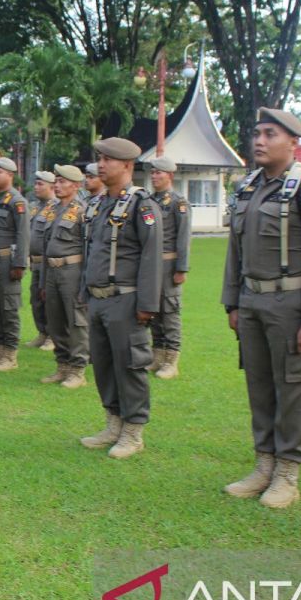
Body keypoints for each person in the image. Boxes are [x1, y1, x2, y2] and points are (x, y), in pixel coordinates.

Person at [221, 108, 301, 509]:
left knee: (291, 391)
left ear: (293, 142)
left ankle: (288, 474)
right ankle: (264, 464)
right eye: (256, 133)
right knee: (259, 386)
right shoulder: (249, 187)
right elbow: (235, 251)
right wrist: (232, 302)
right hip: (253, 301)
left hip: (291, 304)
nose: (259, 141)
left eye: (270, 134)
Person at [79, 138, 161, 460]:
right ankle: (113, 423)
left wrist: (147, 306)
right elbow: (92, 252)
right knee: (103, 364)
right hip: (98, 300)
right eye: (99, 158)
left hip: (126, 300)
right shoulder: (99, 205)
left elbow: (152, 258)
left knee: (130, 366)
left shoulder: (143, 206)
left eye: (108, 160)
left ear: (127, 166)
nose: (101, 165)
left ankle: (133, 431)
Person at [40, 165, 89, 389]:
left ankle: (78, 371)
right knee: (55, 319)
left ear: (76, 186)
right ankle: (62, 366)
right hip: (52, 271)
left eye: (62, 182)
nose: (57, 186)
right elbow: (45, 245)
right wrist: (43, 281)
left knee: (76, 322)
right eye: (56, 181)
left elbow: (90, 249)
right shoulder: (52, 209)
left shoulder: (83, 211)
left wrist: (85, 283)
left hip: (73, 271)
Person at [0, 159, 31, 371]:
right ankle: (0, 350)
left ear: (10, 175)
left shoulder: (17, 202)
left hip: (6, 261)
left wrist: (19, 263)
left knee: (8, 308)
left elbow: (23, 234)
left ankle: (10, 355)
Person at [146, 156, 191, 379]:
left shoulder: (177, 203)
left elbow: (183, 237)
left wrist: (181, 268)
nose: (154, 176)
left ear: (170, 175)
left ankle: (171, 361)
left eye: (159, 173)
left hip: (168, 263)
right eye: (152, 172)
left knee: (170, 311)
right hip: (151, 265)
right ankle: (158, 356)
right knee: (153, 310)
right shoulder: (149, 201)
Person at [24, 172, 57, 351]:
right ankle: (42, 332)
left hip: (48, 263)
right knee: (36, 299)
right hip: (35, 262)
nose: (36, 187)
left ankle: (52, 335)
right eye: (35, 184)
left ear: (51, 186)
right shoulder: (36, 207)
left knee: (49, 300)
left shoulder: (55, 207)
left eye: (40, 184)